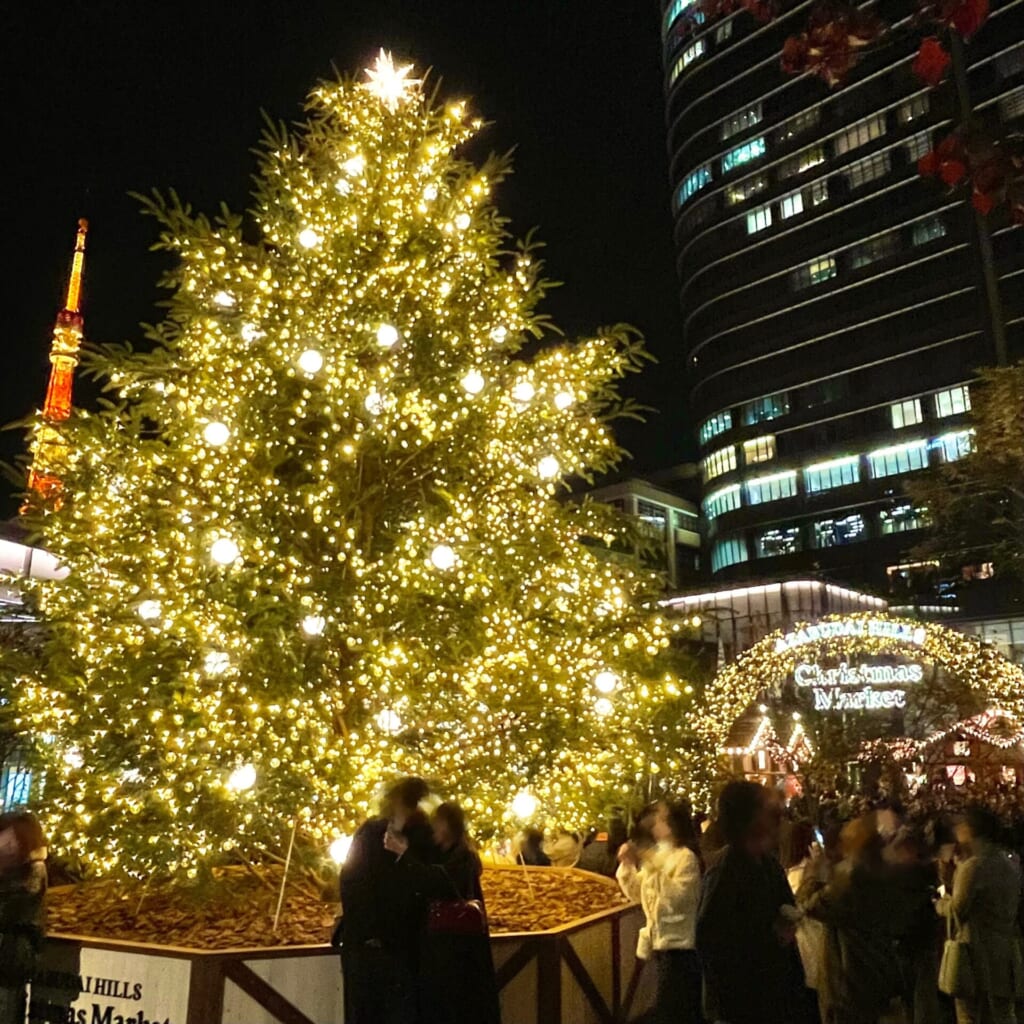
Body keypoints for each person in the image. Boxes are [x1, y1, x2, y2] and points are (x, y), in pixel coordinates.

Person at [697, 781, 814, 1024]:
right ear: (749, 817)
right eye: (769, 809)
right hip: (745, 1003)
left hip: (777, 993)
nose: (778, 816)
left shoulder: (767, 863)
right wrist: (771, 937)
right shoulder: (725, 871)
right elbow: (711, 941)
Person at [385, 802, 501, 1024]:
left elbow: (439, 882)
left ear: (447, 826)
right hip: (448, 945)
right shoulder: (448, 853)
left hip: (456, 947)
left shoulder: (462, 857)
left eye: (437, 824)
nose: (433, 829)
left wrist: (404, 853)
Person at [340, 777, 436, 1024]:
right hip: (398, 945)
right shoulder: (420, 837)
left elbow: (352, 883)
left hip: (377, 944)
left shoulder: (377, 833)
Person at [799, 813, 905, 1024]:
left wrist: (813, 872)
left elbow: (810, 904)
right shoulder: (887, 872)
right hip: (878, 972)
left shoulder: (851, 877)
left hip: (848, 978)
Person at [617, 800, 703, 1024]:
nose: (654, 822)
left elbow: (678, 900)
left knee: (675, 1010)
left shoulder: (686, 858)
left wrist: (653, 865)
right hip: (659, 945)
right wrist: (627, 865)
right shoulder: (658, 855)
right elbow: (638, 894)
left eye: (661, 818)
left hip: (681, 947)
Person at [937, 804, 1023, 1024]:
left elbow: (958, 909)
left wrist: (940, 902)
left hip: (976, 952)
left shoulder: (973, 867)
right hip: (1004, 949)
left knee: (971, 1014)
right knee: (1002, 1012)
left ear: (971, 830)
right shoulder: (1010, 861)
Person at [0, 812, 47, 1024]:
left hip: (10, 957)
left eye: (9, 836)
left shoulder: (33, 871)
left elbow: (12, 908)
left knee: (7, 1008)